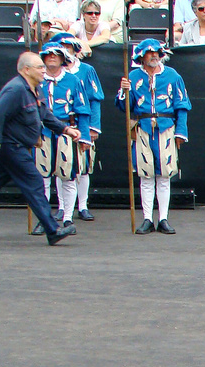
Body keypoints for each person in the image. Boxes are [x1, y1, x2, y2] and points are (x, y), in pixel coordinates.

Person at [0, 53, 78, 244]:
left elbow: (44, 115)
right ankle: (52, 229)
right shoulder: (15, 90)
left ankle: (51, 228)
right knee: (35, 184)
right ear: (26, 70)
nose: (43, 70)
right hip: (12, 147)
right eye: (39, 67)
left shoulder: (34, 89)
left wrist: (65, 129)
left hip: (16, 147)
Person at [117, 39, 192, 235]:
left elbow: (182, 105)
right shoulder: (133, 76)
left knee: (164, 175)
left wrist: (180, 132)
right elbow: (125, 107)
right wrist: (125, 92)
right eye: (150, 53)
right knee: (146, 175)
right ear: (141, 56)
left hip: (166, 127)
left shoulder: (172, 76)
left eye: (157, 52)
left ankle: (164, 218)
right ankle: (147, 218)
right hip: (142, 128)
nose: (154, 56)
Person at [32, 40, 92, 230]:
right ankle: (44, 218)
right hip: (42, 132)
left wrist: (83, 137)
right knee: (42, 178)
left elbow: (83, 109)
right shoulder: (36, 81)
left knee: (68, 175)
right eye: (48, 55)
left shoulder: (73, 80)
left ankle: (68, 217)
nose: (52, 57)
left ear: (62, 59)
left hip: (66, 131)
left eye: (56, 55)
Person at [49, 30, 105, 221]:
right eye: (62, 48)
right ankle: (63, 207)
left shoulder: (86, 70)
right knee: (60, 165)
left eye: (69, 47)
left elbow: (95, 99)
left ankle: (83, 205)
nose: (66, 51)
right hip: (59, 126)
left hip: (81, 123)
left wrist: (92, 128)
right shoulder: (50, 73)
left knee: (84, 165)